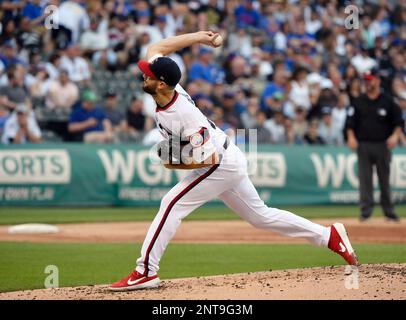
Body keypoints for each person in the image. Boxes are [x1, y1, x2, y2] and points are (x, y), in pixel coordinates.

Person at [109, 31, 358, 292]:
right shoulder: (170, 89)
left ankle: (146, 271)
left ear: (161, 84)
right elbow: (156, 46)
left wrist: (173, 162)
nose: (143, 75)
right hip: (227, 155)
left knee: (172, 203)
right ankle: (328, 236)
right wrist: (198, 36)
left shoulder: (183, 114)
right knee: (260, 216)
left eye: (148, 74)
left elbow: (208, 158)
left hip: (219, 162)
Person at [346, 67, 402, 222]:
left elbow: (398, 121)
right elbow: (350, 122)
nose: (367, 83)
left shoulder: (387, 101)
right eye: (365, 80)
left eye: (370, 80)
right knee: (365, 180)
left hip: (382, 145)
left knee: (384, 179)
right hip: (363, 145)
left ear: (377, 80)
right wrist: (351, 137)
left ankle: (389, 212)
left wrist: (395, 135)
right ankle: (366, 212)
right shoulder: (359, 101)